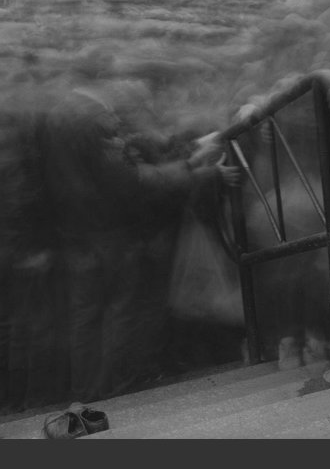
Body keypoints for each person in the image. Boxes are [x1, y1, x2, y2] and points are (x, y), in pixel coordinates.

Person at [42, 80, 241, 401]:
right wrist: (195, 167)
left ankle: (88, 390)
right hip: (110, 234)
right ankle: (112, 388)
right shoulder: (98, 121)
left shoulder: (56, 113)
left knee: (86, 317)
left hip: (75, 233)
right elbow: (133, 182)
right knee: (118, 314)